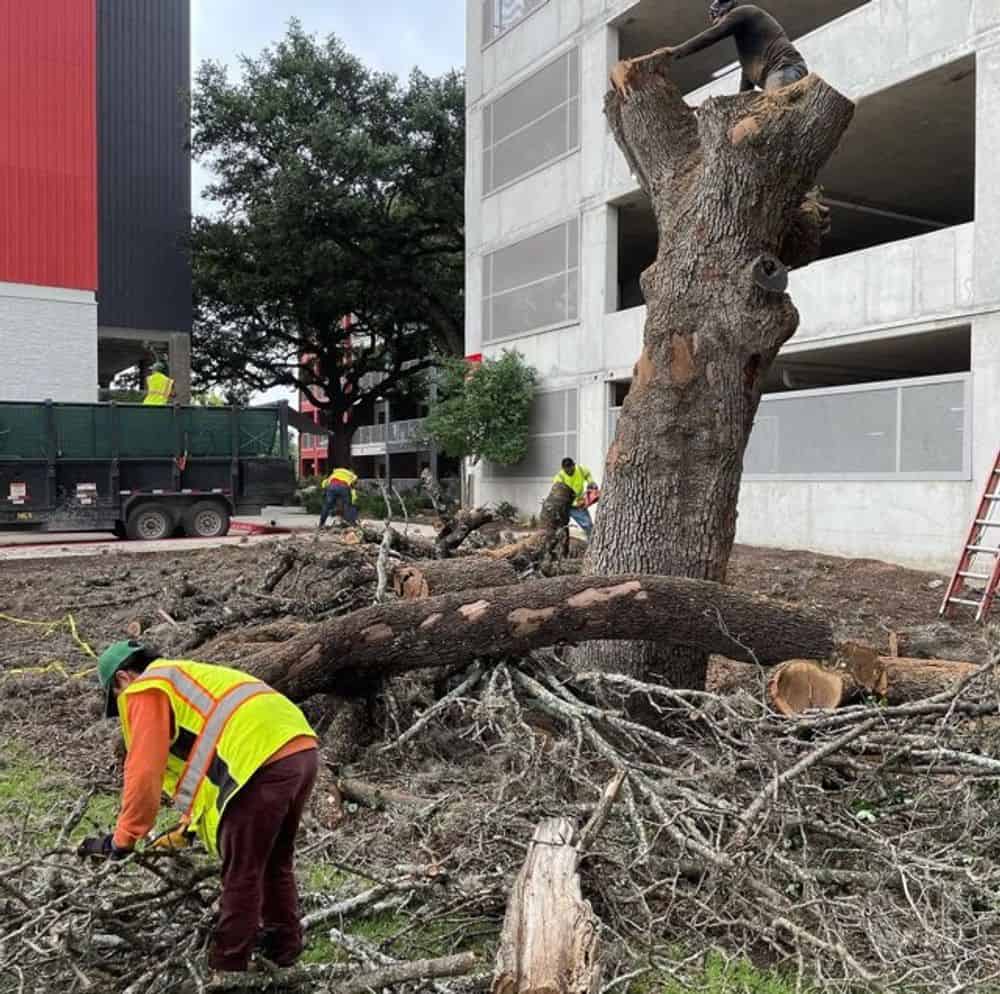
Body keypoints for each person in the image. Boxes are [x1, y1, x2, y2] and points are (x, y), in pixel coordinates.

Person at [77, 641, 318, 975]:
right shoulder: (186, 679)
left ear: (122, 679)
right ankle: (284, 951)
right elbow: (204, 767)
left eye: (117, 701)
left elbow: (144, 770)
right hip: (299, 748)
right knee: (273, 861)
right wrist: (185, 830)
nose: (123, 710)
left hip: (260, 761)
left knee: (242, 871)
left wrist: (123, 839)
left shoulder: (146, 689)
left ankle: (228, 968)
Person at [664, 2, 808, 94]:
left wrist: (676, 52)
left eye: (720, 22)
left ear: (725, 13)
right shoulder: (748, 43)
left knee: (772, 111)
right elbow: (748, 75)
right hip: (781, 71)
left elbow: (711, 36)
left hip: (785, 68)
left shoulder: (743, 12)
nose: (720, 26)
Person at [553, 457, 599, 541]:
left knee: (588, 525)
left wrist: (591, 482)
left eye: (571, 469)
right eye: (567, 470)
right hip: (565, 506)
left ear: (574, 465)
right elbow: (559, 497)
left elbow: (587, 474)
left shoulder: (581, 469)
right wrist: (575, 504)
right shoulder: (559, 478)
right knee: (560, 529)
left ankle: (592, 544)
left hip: (578, 503)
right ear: (563, 469)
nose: (570, 471)